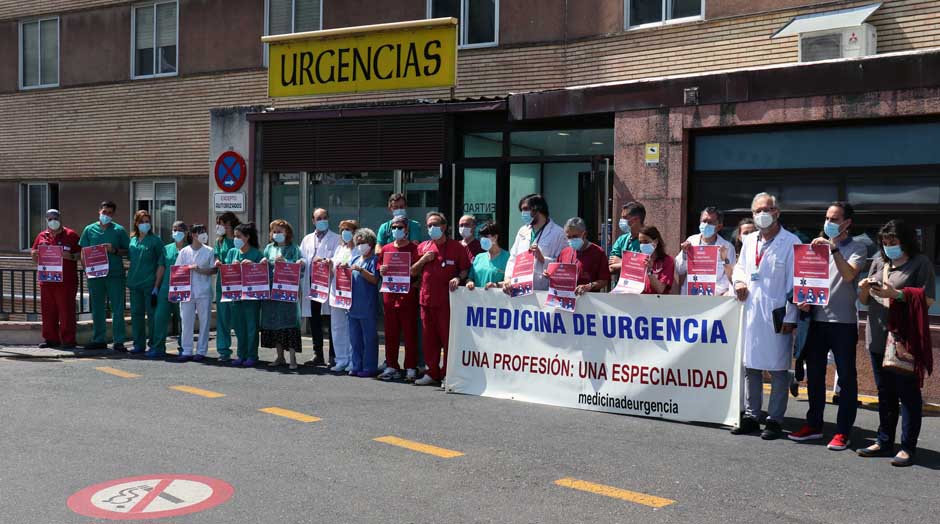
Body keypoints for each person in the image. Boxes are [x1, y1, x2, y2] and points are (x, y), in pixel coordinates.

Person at [857, 219, 936, 467]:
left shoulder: (920, 263)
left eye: (893, 242)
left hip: (904, 339)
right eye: (885, 242)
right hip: (878, 337)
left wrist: (898, 294)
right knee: (885, 393)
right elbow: (865, 300)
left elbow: (929, 299)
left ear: (906, 241)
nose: (888, 246)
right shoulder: (880, 261)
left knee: (908, 395)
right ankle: (884, 441)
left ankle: (907, 447)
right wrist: (863, 287)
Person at [788, 202, 867, 450]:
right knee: (815, 377)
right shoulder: (814, 246)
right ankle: (814, 424)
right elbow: (806, 279)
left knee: (846, 378)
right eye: (827, 218)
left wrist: (833, 250)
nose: (829, 223)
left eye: (834, 219)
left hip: (842, 323)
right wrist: (802, 299)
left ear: (847, 223)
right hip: (816, 322)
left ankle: (843, 431)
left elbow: (849, 275)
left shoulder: (858, 248)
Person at [731, 192, 800, 440]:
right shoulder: (749, 241)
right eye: (758, 210)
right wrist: (738, 282)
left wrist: (791, 317)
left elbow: (794, 283)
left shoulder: (791, 243)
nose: (762, 214)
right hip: (751, 310)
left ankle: (774, 419)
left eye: (767, 209)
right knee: (752, 367)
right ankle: (752, 415)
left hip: (777, 313)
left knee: (779, 369)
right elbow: (740, 267)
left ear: (777, 212)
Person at [412, 212, 471, 386]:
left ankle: (448, 374)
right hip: (426, 300)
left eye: (435, 225)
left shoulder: (457, 247)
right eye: (429, 225)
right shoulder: (423, 247)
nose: (432, 228)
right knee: (429, 339)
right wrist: (423, 260)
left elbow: (465, 270)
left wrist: (458, 279)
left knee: (447, 339)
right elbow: (412, 271)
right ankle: (432, 373)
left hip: (447, 302)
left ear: (444, 226)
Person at [79, 201, 130, 351]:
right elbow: (83, 252)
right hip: (95, 276)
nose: (106, 215)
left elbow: (128, 251)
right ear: (99, 211)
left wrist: (114, 250)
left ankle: (119, 341)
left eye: (109, 213)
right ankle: (99, 339)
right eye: (104, 212)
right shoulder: (89, 230)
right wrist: (86, 271)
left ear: (113, 214)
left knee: (118, 308)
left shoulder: (119, 230)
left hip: (115, 275)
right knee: (97, 308)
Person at [377, 216, 421, 382]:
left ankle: (410, 367)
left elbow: (417, 271)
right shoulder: (386, 248)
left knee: (410, 333)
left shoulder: (413, 248)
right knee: (390, 333)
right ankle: (392, 366)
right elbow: (379, 267)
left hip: (407, 296)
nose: (397, 230)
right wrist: (382, 269)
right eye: (394, 227)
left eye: (400, 227)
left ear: (406, 230)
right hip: (389, 296)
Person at [30, 209, 80, 350]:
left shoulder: (71, 235)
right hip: (47, 281)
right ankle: (51, 339)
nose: (53, 221)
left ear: (60, 218)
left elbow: (80, 255)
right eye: (50, 218)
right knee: (48, 311)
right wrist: (34, 254)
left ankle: (69, 340)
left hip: (66, 282)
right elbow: (34, 257)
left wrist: (68, 256)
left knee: (66, 311)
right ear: (46, 220)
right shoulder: (41, 236)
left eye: (55, 217)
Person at [502, 194, 566, 294]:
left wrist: (542, 259)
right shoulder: (523, 231)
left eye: (526, 209)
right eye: (522, 210)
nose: (523, 213)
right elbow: (513, 258)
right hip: (520, 288)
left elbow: (563, 266)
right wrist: (507, 278)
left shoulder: (558, 233)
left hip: (543, 291)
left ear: (537, 209)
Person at [300, 208, 340, 367]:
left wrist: (326, 260)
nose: (322, 220)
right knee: (314, 319)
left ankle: (333, 355)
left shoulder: (336, 239)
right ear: (313, 221)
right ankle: (318, 354)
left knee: (330, 320)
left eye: (324, 217)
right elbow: (302, 258)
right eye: (318, 218)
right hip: (311, 285)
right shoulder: (307, 239)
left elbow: (338, 258)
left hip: (328, 283)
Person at [261, 219, 304, 370]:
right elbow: (262, 269)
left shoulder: (294, 248)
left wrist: (286, 261)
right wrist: (263, 262)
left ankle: (293, 358)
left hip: (287, 291)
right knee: (275, 323)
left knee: (290, 322)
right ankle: (280, 357)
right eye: (274, 231)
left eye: (280, 231)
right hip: (272, 291)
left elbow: (301, 267)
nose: (277, 234)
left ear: (287, 233)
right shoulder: (268, 248)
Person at [221, 222, 263, 367]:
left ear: (247, 237)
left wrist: (253, 265)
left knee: (251, 326)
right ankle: (241, 354)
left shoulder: (256, 253)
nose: (236, 239)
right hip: (236, 295)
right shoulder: (232, 252)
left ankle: (252, 355)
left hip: (251, 297)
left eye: (239, 236)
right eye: (235, 236)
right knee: (238, 327)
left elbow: (263, 273)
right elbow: (227, 272)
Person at [174, 224, 216, 362]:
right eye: (200, 232)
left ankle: (201, 351)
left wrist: (199, 270)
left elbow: (213, 270)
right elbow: (177, 271)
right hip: (187, 291)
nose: (203, 234)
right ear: (193, 235)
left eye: (204, 231)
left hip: (203, 291)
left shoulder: (209, 251)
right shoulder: (184, 251)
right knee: (186, 321)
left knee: (204, 322)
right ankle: (186, 350)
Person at [126, 210, 165, 355]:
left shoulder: (155, 240)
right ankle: (138, 344)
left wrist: (157, 285)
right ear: (136, 223)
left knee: (152, 316)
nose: (145, 224)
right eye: (141, 221)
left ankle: (155, 345)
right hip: (134, 283)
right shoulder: (133, 240)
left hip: (150, 283)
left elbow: (162, 262)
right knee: (136, 315)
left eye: (147, 221)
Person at [675, 207, 736, 296]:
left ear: (719, 226)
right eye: (704, 221)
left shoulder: (727, 247)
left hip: (715, 298)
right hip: (690, 296)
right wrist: (684, 253)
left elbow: (729, 277)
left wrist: (711, 292)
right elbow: (679, 270)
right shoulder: (691, 241)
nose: (706, 224)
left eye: (710, 222)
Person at [149, 222, 189, 359]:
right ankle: (158, 347)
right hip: (166, 288)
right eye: (174, 230)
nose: (177, 232)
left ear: (186, 232)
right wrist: (156, 287)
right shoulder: (166, 249)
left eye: (180, 230)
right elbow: (161, 267)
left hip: (183, 290)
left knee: (183, 320)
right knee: (160, 319)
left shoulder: (190, 249)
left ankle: (184, 348)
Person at [345, 228, 380, 377]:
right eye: (357, 242)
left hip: (367, 306)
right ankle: (356, 364)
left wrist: (360, 270)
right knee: (355, 339)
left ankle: (369, 367)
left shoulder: (374, 260)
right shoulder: (354, 259)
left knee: (369, 338)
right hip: (352, 306)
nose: (360, 245)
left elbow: (374, 279)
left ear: (371, 244)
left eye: (363, 242)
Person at [328, 220, 359, 373]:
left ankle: (353, 360)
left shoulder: (359, 250)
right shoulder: (339, 248)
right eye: (343, 230)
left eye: (349, 230)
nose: (345, 233)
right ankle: (341, 359)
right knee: (337, 328)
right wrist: (327, 263)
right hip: (336, 292)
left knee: (351, 328)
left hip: (351, 293)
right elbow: (332, 269)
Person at [552, 217, 610, 295]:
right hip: (567, 300)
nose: (571, 239)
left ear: (584, 234)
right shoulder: (564, 253)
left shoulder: (598, 252)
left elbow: (604, 280)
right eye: (569, 237)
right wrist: (551, 275)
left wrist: (589, 286)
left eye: (575, 236)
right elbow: (559, 276)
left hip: (589, 300)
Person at [214, 212, 240, 362]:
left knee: (237, 317)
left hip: (236, 283)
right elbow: (217, 255)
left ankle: (242, 350)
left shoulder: (238, 240)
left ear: (229, 224)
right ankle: (224, 350)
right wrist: (217, 261)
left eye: (222, 223)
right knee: (222, 318)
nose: (219, 226)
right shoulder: (220, 241)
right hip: (222, 282)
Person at [466, 221, 509, 290]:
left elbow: (512, 282)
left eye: (486, 236)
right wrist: (469, 282)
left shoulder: (508, 257)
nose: (482, 239)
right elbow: (470, 278)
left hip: (499, 299)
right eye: (481, 237)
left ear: (495, 237)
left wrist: (496, 285)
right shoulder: (478, 257)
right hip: (479, 299)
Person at [609, 201, 645, 275]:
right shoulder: (621, 240)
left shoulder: (648, 241)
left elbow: (643, 267)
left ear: (636, 219)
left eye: (625, 218)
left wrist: (622, 262)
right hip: (621, 285)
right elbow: (611, 267)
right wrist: (633, 264)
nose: (622, 221)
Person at [636, 226, 675, 295]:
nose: (642, 245)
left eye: (646, 242)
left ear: (655, 241)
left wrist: (649, 272)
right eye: (640, 242)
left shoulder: (667, 261)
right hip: (640, 302)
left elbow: (660, 289)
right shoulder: (638, 259)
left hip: (658, 303)